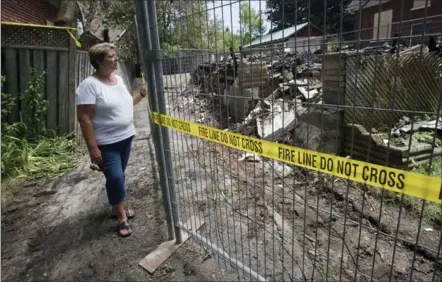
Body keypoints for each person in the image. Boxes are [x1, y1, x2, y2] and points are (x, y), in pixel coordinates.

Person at [76, 43, 147, 237]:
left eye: (115, 56)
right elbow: (84, 118)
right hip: (107, 143)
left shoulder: (119, 80)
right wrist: (93, 148)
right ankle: (121, 218)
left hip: (126, 138)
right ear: (99, 61)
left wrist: (140, 94)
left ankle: (116, 207)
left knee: (118, 176)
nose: (115, 59)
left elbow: (125, 104)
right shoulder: (89, 86)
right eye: (111, 56)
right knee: (115, 177)